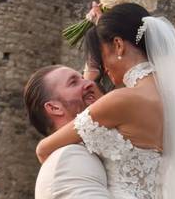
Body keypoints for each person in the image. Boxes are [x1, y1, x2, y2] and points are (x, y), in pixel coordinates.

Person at [36, 3, 175, 199]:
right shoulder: (170, 99)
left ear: (118, 45)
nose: (103, 66)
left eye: (101, 54)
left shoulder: (121, 100)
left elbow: (44, 149)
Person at [25, 64, 112, 199]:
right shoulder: (70, 157)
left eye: (83, 78)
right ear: (54, 108)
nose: (89, 83)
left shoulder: (92, 151)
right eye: (73, 82)